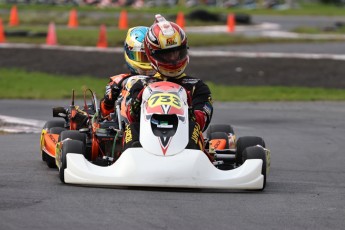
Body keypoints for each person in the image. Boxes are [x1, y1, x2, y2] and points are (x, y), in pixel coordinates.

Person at [124, 14, 213, 150]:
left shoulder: (197, 86)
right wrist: (138, 101)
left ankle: (189, 160)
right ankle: (132, 158)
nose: (173, 59)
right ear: (152, 55)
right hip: (147, 144)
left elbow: (202, 121)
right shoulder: (141, 85)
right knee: (132, 128)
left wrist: (189, 112)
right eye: (166, 54)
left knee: (193, 127)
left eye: (177, 53)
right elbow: (130, 116)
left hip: (184, 144)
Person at [100, 26, 156, 120]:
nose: (146, 62)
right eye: (142, 56)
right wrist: (109, 101)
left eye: (149, 57)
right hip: (127, 125)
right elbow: (104, 114)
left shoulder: (165, 79)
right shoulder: (119, 81)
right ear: (129, 53)